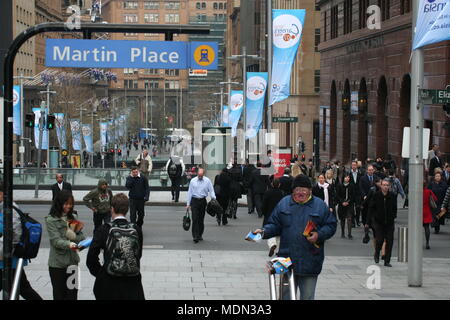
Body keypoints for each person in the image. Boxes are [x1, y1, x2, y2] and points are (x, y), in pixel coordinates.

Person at [252, 174, 337, 300]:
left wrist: (319, 235)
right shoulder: (284, 203)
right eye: (297, 190)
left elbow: (331, 225)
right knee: (285, 296)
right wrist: (263, 232)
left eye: (304, 189)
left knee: (307, 296)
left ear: (310, 190)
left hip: (310, 260)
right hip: (287, 259)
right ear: (293, 191)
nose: (300, 192)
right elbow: (275, 224)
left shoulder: (319, 205)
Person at [86, 193, 145, 300]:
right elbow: (138, 255)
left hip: (109, 284)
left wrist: (102, 274)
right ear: (127, 209)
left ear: (111, 209)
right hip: (132, 284)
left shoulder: (104, 229)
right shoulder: (136, 229)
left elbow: (91, 259)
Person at [0, 185, 42, 300]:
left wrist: (5, 253)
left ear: (3, 194)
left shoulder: (10, 209)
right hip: (5, 261)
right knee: (23, 289)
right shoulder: (2, 208)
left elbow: (16, 235)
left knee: (24, 289)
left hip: (9, 261)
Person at [46, 190, 85, 300]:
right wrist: (70, 244)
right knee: (59, 295)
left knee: (72, 295)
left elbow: (81, 237)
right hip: (57, 264)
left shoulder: (73, 217)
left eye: (71, 204)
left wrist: (74, 235)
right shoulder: (51, 220)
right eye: (66, 203)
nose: (69, 206)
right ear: (59, 203)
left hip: (72, 263)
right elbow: (56, 241)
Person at [368, 179, 397, 267]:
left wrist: (393, 216)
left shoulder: (392, 195)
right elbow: (371, 208)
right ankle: (377, 253)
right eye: (384, 185)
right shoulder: (376, 195)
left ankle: (387, 261)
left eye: (387, 185)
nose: (385, 187)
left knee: (389, 241)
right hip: (379, 222)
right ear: (381, 186)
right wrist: (369, 221)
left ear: (389, 186)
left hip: (389, 223)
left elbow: (394, 208)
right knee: (379, 240)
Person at [186, 168, 216, 243]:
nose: (200, 177)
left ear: (203, 174)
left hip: (202, 201)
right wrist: (188, 204)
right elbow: (190, 192)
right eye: (199, 175)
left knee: (201, 219)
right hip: (194, 201)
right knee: (195, 218)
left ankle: (200, 234)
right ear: (197, 174)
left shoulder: (207, 181)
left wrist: (213, 198)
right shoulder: (193, 181)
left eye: (201, 175)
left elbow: (211, 190)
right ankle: (195, 236)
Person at [262, 178, 285, 257]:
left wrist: (264, 213)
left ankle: (272, 244)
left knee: (269, 232)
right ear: (279, 185)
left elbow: (264, 204)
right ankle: (277, 251)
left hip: (269, 215)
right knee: (278, 234)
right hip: (279, 215)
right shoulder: (282, 193)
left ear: (272, 184)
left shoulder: (268, 192)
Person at [336, 174, 355, 239]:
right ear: (343, 178)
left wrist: (348, 202)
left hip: (349, 204)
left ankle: (349, 234)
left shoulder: (352, 186)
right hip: (342, 204)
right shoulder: (339, 185)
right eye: (346, 177)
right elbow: (337, 195)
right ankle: (343, 233)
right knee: (342, 219)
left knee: (349, 218)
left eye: (348, 177)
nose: (347, 178)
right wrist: (342, 202)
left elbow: (353, 195)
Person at [423, 181, 437, 250]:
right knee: (426, 227)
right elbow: (435, 199)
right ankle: (427, 242)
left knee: (416, 229)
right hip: (426, 211)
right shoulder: (429, 191)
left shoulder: (416, 192)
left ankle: (415, 242)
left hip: (417, 212)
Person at [349, 161, 363, 226]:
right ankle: (352, 222)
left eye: (355, 165)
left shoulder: (360, 173)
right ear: (351, 166)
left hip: (358, 193)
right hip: (351, 193)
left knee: (358, 208)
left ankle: (357, 220)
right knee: (351, 208)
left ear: (357, 166)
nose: (354, 166)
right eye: (353, 165)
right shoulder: (348, 173)